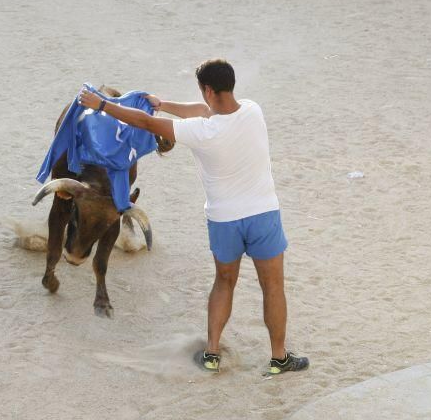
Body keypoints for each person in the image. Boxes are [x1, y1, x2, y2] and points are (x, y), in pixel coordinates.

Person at [78, 59, 308, 375]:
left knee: (224, 283)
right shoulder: (253, 111)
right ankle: (279, 358)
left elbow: (145, 123)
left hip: (224, 220)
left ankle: (212, 355)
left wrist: (101, 104)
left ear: (207, 90)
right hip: (263, 215)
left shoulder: (200, 132)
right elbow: (203, 110)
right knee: (273, 287)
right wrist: (164, 103)